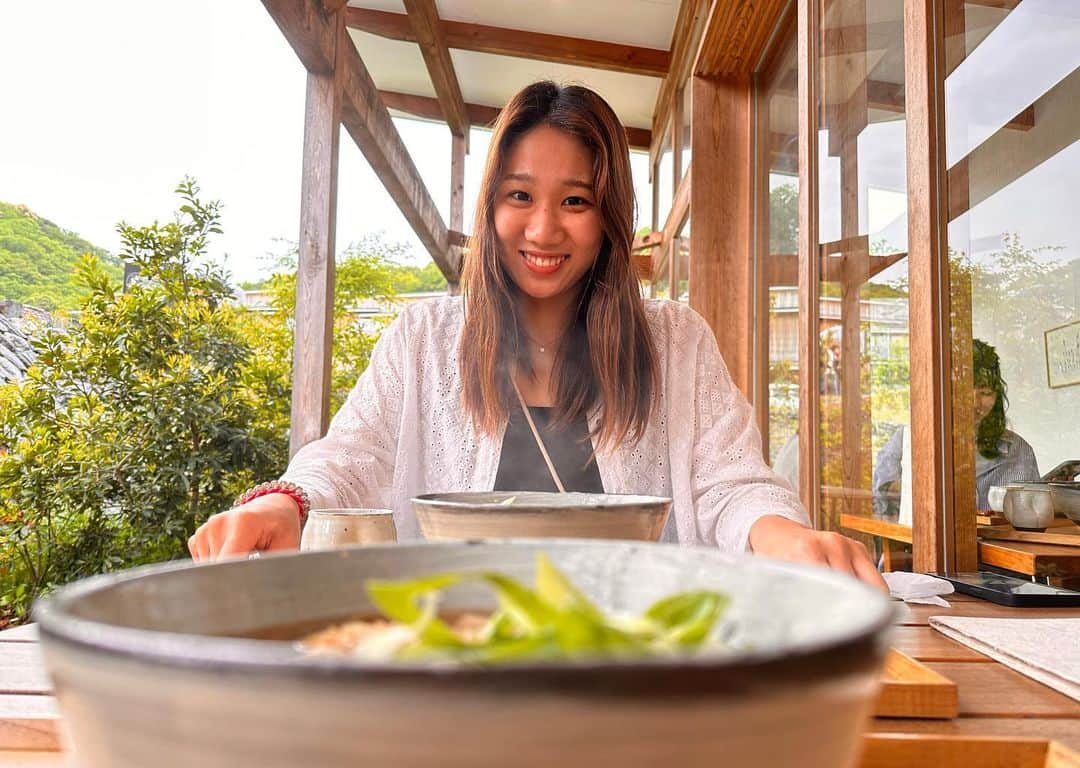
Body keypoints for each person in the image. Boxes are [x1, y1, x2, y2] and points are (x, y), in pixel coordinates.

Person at [188, 82, 885, 590]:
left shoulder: (676, 340)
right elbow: (351, 455)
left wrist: (785, 535)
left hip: (631, 659)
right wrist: (287, 500)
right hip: (455, 654)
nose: (544, 229)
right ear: (492, 203)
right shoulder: (424, 338)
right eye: (520, 195)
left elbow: (734, 486)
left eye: (575, 201)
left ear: (608, 215)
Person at [873, 339, 1039, 515]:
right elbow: (883, 494)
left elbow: (1032, 511)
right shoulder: (908, 439)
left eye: (985, 393)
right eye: (965, 391)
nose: (975, 404)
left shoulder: (1018, 450)